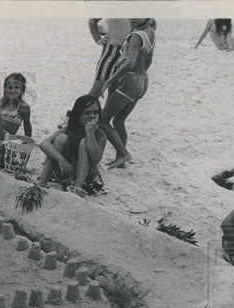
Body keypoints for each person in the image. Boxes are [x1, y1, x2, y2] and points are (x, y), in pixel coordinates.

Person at [101, 18, 156, 169]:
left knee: (103, 120)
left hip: (130, 81)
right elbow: (148, 61)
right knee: (119, 121)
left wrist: (109, 81)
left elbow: (129, 63)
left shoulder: (136, 36)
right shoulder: (150, 32)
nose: (130, 19)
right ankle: (121, 161)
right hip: (142, 80)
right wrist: (138, 75)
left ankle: (123, 153)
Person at [36, 94, 106, 196]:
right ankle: (42, 181)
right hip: (66, 170)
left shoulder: (100, 134)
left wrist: (90, 133)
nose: (92, 116)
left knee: (84, 142)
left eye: (96, 112)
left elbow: (95, 159)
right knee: (61, 138)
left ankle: (77, 188)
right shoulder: (70, 128)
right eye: (87, 113)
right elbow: (44, 144)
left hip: (87, 176)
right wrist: (60, 159)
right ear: (78, 115)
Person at [87, 19, 133, 97]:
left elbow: (151, 24)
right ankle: (81, 109)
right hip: (111, 51)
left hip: (129, 54)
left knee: (115, 93)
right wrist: (98, 40)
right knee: (97, 90)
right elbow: (92, 21)